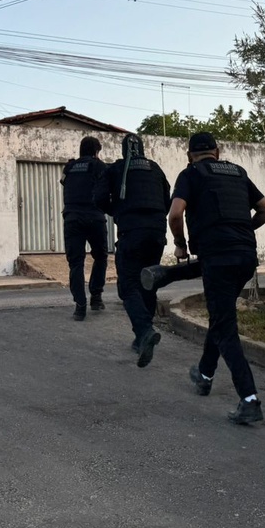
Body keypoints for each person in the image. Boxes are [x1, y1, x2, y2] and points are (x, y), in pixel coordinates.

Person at [169, 132, 265, 424]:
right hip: (245, 257)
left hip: (217, 258)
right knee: (221, 316)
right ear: (218, 150)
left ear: (189, 154)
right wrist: (243, 230)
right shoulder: (238, 172)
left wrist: (179, 243)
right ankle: (204, 374)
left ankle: (250, 399)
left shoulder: (190, 174)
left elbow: (175, 214)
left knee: (226, 328)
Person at [94, 133, 171, 367]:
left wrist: (116, 210)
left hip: (131, 233)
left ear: (123, 150)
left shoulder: (116, 169)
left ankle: (145, 331)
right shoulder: (155, 168)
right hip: (157, 233)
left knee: (128, 286)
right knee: (148, 282)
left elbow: (98, 198)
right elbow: (167, 198)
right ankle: (141, 338)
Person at [61, 136, 108, 321]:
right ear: (96, 151)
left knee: (76, 262)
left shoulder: (70, 167)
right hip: (94, 217)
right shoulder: (99, 166)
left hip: (72, 218)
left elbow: (63, 182)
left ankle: (80, 306)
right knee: (101, 256)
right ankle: (96, 297)